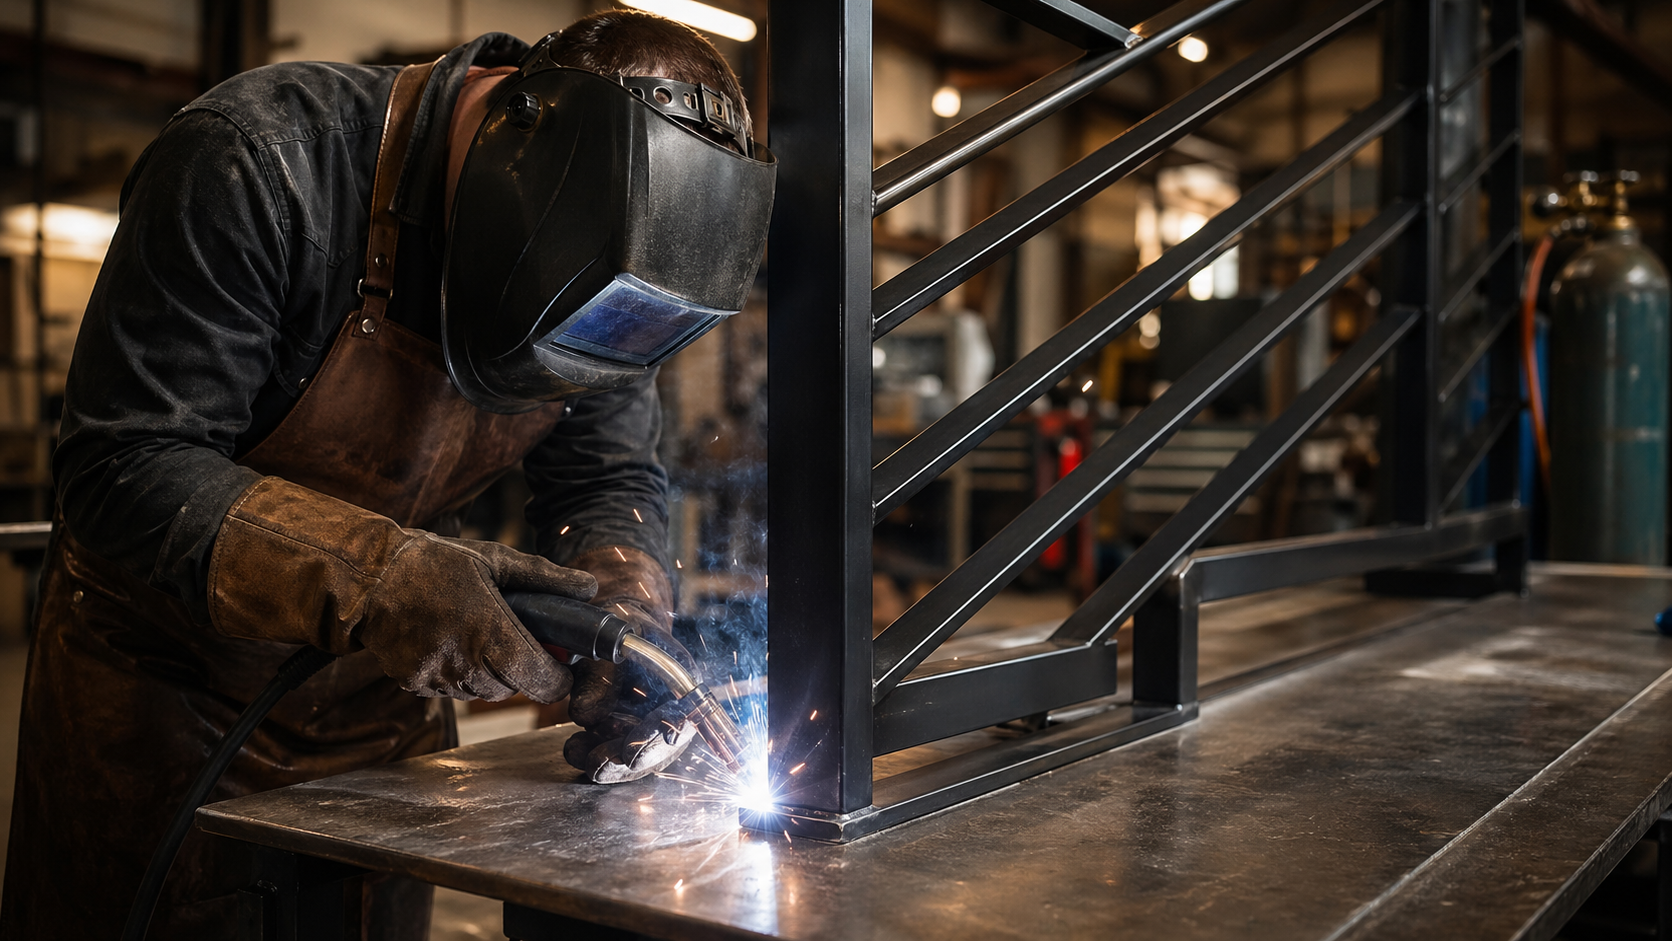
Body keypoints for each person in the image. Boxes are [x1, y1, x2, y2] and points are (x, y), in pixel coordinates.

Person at [0, 10, 773, 939]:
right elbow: (124, 464)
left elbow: (605, 476)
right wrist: (379, 574)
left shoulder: (617, 272)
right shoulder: (258, 162)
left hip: (386, 705)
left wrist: (622, 598)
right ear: (512, 143)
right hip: (164, 701)